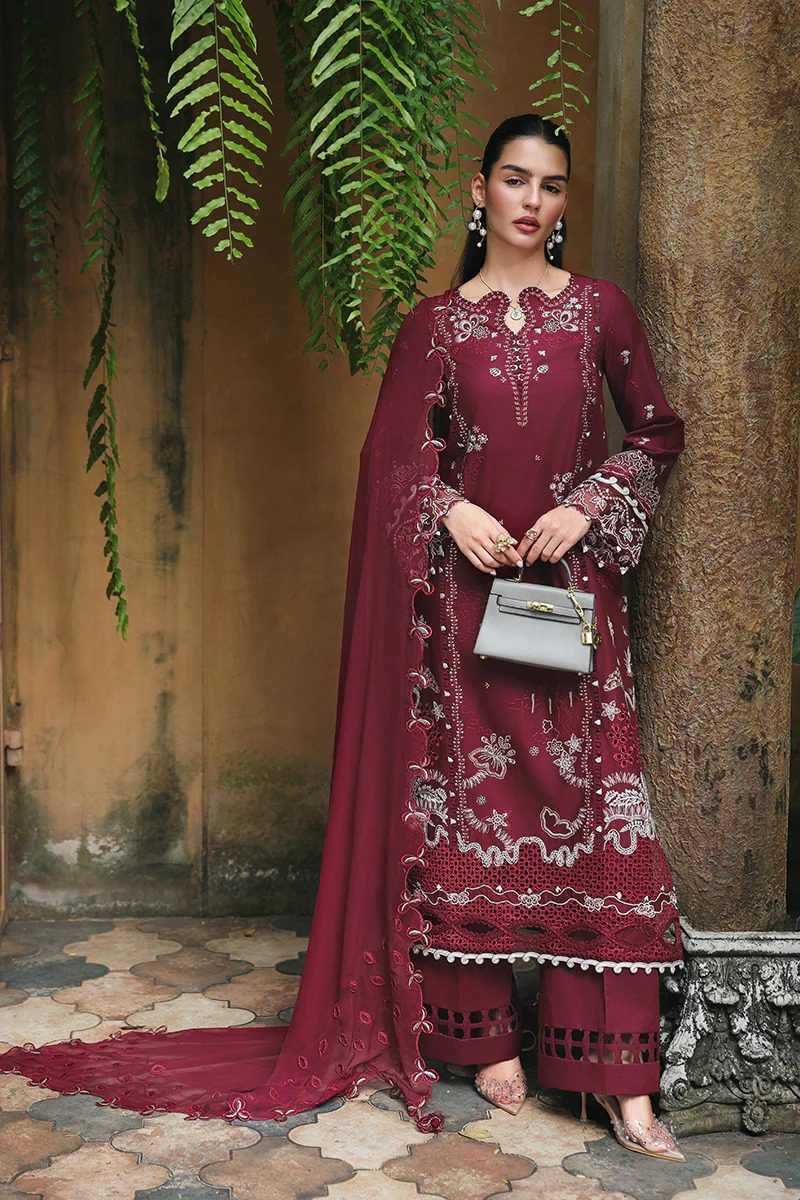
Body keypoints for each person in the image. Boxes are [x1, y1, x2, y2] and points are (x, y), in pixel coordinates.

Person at [0, 114, 685, 1161]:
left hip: (568, 601)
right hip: (463, 612)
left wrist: (587, 506)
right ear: (480, 191)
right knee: (464, 822)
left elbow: (656, 431)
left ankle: (616, 1077)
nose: (533, 201)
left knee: (598, 827)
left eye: (551, 186)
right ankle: (482, 1038)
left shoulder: (599, 310)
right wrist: (449, 509)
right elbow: (392, 464)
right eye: (514, 180)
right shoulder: (435, 327)